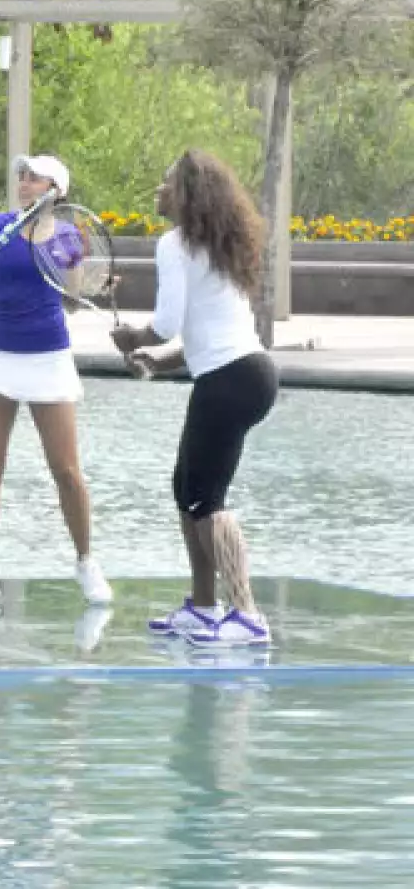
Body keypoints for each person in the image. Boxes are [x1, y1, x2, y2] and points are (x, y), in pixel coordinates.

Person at [0, 153, 114, 609]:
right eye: (22, 177)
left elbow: (71, 300)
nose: (24, 183)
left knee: (66, 471)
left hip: (48, 357)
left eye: (35, 178)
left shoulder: (67, 237)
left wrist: (94, 286)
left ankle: (86, 563)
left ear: (56, 190)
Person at [110, 149, 280, 647]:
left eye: (167, 183)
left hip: (230, 380)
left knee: (208, 498)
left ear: (187, 195)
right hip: (246, 374)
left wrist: (134, 337)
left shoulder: (175, 244)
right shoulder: (219, 247)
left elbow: (166, 323)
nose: (159, 191)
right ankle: (204, 607)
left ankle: (247, 616)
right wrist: (156, 361)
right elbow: (204, 336)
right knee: (186, 487)